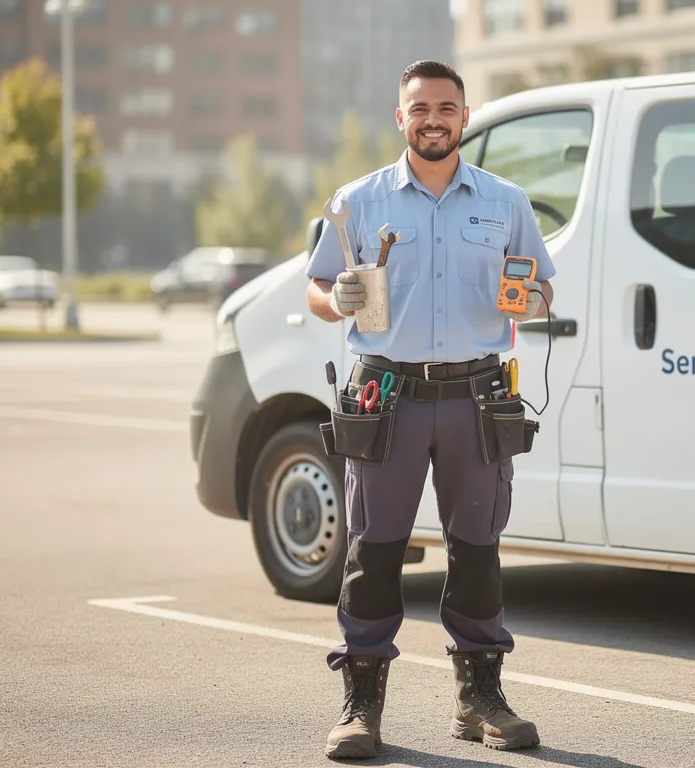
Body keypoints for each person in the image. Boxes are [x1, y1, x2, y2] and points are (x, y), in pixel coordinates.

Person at [304, 60, 556, 760]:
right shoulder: (358, 202)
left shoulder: (506, 203)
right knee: (374, 551)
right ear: (401, 118)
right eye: (420, 108)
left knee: (477, 552)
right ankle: (361, 706)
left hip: (478, 396)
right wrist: (336, 301)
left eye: (447, 107)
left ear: (465, 117)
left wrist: (534, 301)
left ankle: (480, 699)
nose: (434, 119)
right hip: (388, 398)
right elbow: (317, 289)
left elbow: (540, 290)